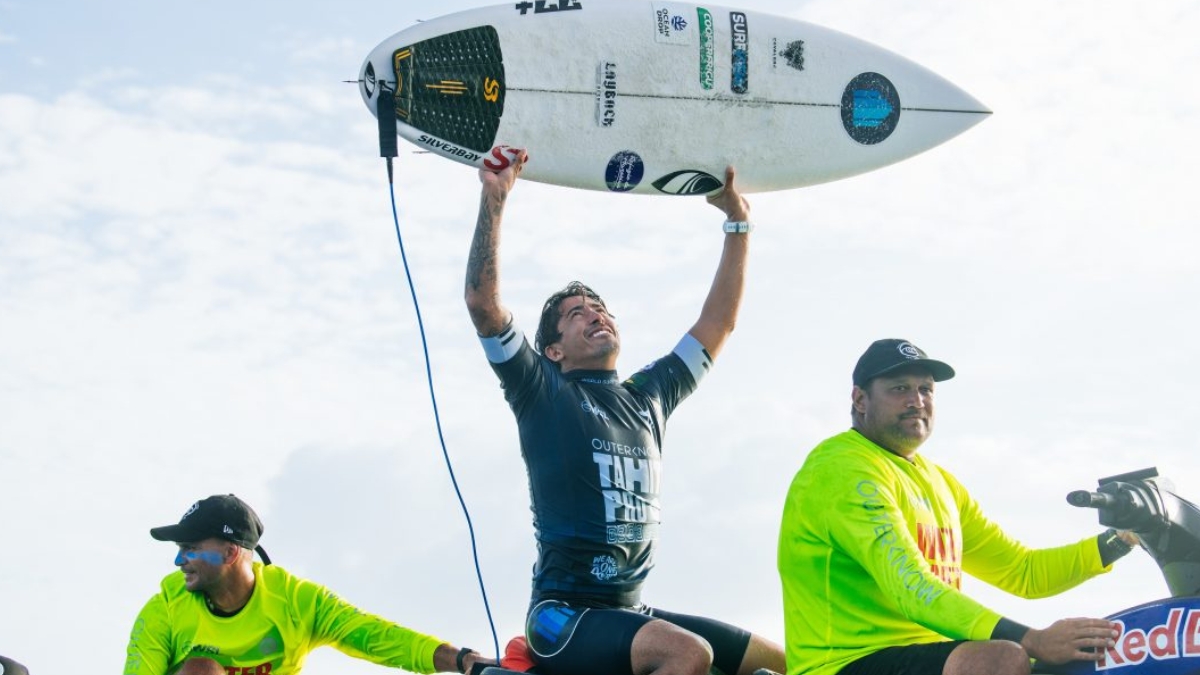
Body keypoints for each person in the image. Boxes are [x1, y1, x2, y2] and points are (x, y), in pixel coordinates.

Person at [463, 150, 784, 675]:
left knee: (781, 661)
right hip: (562, 618)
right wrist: (494, 198)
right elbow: (483, 305)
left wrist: (738, 223)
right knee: (688, 654)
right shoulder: (542, 391)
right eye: (576, 314)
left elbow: (717, 325)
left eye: (601, 308)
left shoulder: (649, 397)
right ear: (553, 351)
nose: (596, 314)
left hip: (630, 614)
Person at [778, 339, 1140, 675]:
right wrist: (1033, 639)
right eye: (899, 389)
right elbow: (912, 588)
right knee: (1002, 659)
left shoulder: (940, 483)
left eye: (925, 389)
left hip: (924, 657)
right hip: (842, 663)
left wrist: (1121, 540)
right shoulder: (842, 470)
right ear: (860, 400)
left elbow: (1023, 571)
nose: (916, 401)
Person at [124, 494, 495, 675]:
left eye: (190, 548)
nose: (179, 561)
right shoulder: (165, 608)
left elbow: (376, 636)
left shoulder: (296, 601)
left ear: (230, 553)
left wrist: (461, 660)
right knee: (201, 670)